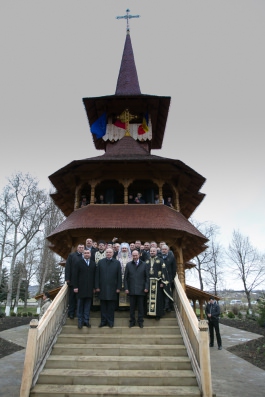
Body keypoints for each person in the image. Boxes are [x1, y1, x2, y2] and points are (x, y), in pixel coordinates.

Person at [95, 248, 122, 328]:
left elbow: (119, 276)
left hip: (113, 288)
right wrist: (97, 286)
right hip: (102, 288)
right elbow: (97, 275)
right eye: (107, 252)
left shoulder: (117, 263)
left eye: (110, 252)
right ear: (105, 253)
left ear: (113, 253)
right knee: (103, 306)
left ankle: (110, 322)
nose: (108, 253)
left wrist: (118, 287)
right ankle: (103, 321)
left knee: (111, 307)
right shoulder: (100, 262)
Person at [145, 247, 173, 320]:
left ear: (156, 252)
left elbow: (164, 272)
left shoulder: (160, 260)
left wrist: (162, 282)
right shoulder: (146, 261)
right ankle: (149, 313)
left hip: (157, 282)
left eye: (153, 251)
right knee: (148, 299)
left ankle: (158, 314)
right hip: (148, 283)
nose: (152, 252)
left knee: (158, 299)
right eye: (151, 251)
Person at [124, 250, 149, 328]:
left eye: (136, 255)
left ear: (139, 255)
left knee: (141, 307)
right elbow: (125, 278)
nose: (134, 257)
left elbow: (147, 277)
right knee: (132, 307)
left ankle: (140, 321)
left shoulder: (144, 265)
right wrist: (126, 288)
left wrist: (146, 287)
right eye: (133, 255)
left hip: (141, 289)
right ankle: (132, 321)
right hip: (131, 289)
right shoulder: (128, 265)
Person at [73, 250, 96, 329]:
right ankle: (80, 321)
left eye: (88, 253)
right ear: (83, 254)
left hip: (89, 288)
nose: (86, 254)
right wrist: (75, 287)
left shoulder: (93, 264)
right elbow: (75, 276)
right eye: (85, 253)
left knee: (87, 305)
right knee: (80, 306)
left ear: (90, 254)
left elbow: (95, 277)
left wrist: (94, 287)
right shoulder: (78, 263)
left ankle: (86, 321)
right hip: (80, 288)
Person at [65, 244, 84, 319]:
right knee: (72, 298)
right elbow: (68, 267)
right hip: (73, 280)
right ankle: (71, 313)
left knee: (80, 298)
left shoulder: (86, 256)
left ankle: (79, 312)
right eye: (80, 247)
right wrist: (67, 278)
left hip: (82, 281)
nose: (81, 249)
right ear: (77, 248)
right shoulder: (72, 256)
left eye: (82, 248)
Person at [161, 244, 177, 312]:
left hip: (169, 277)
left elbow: (174, 268)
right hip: (161, 278)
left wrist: (172, 277)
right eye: (163, 249)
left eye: (165, 249)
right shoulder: (159, 258)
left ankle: (168, 306)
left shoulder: (172, 258)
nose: (164, 251)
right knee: (162, 292)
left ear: (168, 250)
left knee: (168, 292)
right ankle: (162, 306)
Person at [116, 242, 132, 309]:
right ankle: (120, 307)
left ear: (128, 249)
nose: (124, 249)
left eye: (125, 248)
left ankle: (127, 307)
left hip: (128, 277)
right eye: (123, 248)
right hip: (120, 276)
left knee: (127, 290)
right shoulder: (117, 257)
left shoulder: (131, 257)